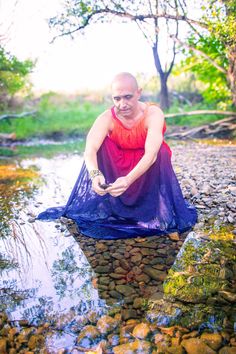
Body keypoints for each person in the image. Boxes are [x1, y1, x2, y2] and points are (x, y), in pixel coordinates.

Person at [37, 72, 197, 239]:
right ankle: (112, 204)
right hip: (119, 163)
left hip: (146, 165)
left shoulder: (153, 114)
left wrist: (128, 180)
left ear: (139, 93)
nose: (122, 104)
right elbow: (90, 149)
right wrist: (95, 175)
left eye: (128, 97)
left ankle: (156, 207)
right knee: (102, 145)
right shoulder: (107, 117)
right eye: (117, 98)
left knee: (161, 151)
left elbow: (151, 155)